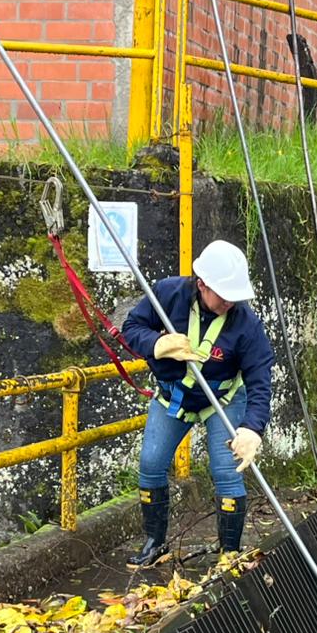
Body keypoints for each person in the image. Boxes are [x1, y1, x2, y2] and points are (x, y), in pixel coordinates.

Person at [120, 240, 275, 569]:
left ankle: (229, 553)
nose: (229, 302)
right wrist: (157, 343)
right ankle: (155, 543)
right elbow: (131, 328)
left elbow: (260, 379)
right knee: (151, 463)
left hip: (222, 399)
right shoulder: (168, 294)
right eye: (223, 294)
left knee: (227, 471)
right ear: (202, 284)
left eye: (234, 296)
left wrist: (252, 428)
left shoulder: (246, 324)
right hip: (174, 395)